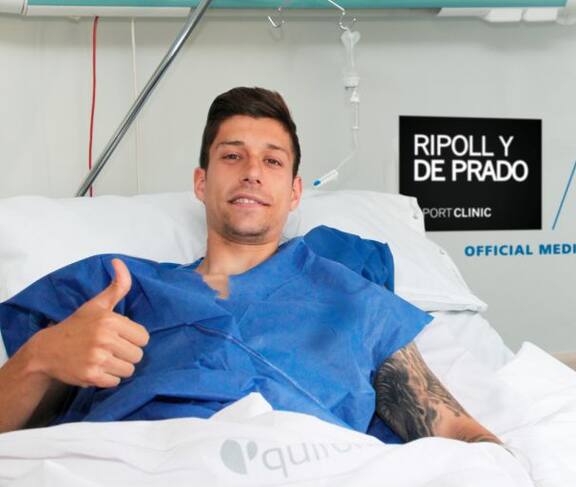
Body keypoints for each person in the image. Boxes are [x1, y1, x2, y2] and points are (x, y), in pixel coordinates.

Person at [0, 87, 500, 446]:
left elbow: (453, 428)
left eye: (273, 161)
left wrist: (501, 461)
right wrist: (41, 357)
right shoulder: (120, 290)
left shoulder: (352, 296)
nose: (253, 172)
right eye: (232, 156)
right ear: (201, 182)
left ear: (295, 193)